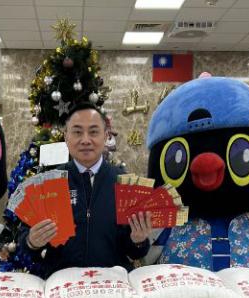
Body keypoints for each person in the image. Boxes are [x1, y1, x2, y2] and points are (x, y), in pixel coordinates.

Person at [21, 104, 152, 277]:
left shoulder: (125, 184)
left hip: (111, 284)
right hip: (62, 284)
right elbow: (26, 243)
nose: (85, 140)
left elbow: (136, 252)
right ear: (66, 137)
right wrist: (31, 242)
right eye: (77, 132)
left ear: (106, 136)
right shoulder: (48, 183)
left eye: (93, 132)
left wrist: (138, 241)